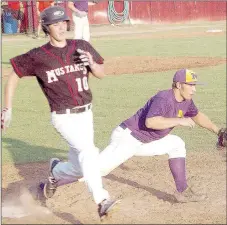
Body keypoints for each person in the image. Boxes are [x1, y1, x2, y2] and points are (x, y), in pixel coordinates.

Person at [1, 5, 118, 219]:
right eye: (55, 24)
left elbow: (101, 73)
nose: (61, 27)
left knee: (82, 166)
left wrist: (92, 63)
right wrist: (7, 107)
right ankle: (102, 200)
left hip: (86, 114)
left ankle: (56, 173)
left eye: (63, 22)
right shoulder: (39, 55)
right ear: (47, 28)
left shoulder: (80, 46)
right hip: (63, 117)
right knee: (89, 152)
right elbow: (14, 76)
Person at [80, 69, 225, 203]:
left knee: (177, 144)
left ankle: (182, 191)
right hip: (128, 138)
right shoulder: (164, 98)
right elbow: (151, 122)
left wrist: (217, 130)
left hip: (147, 142)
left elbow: (197, 116)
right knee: (96, 170)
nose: (194, 89)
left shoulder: (186, 102)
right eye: (191, 85)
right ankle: (58, 171)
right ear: (179, 85)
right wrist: (179, 121)